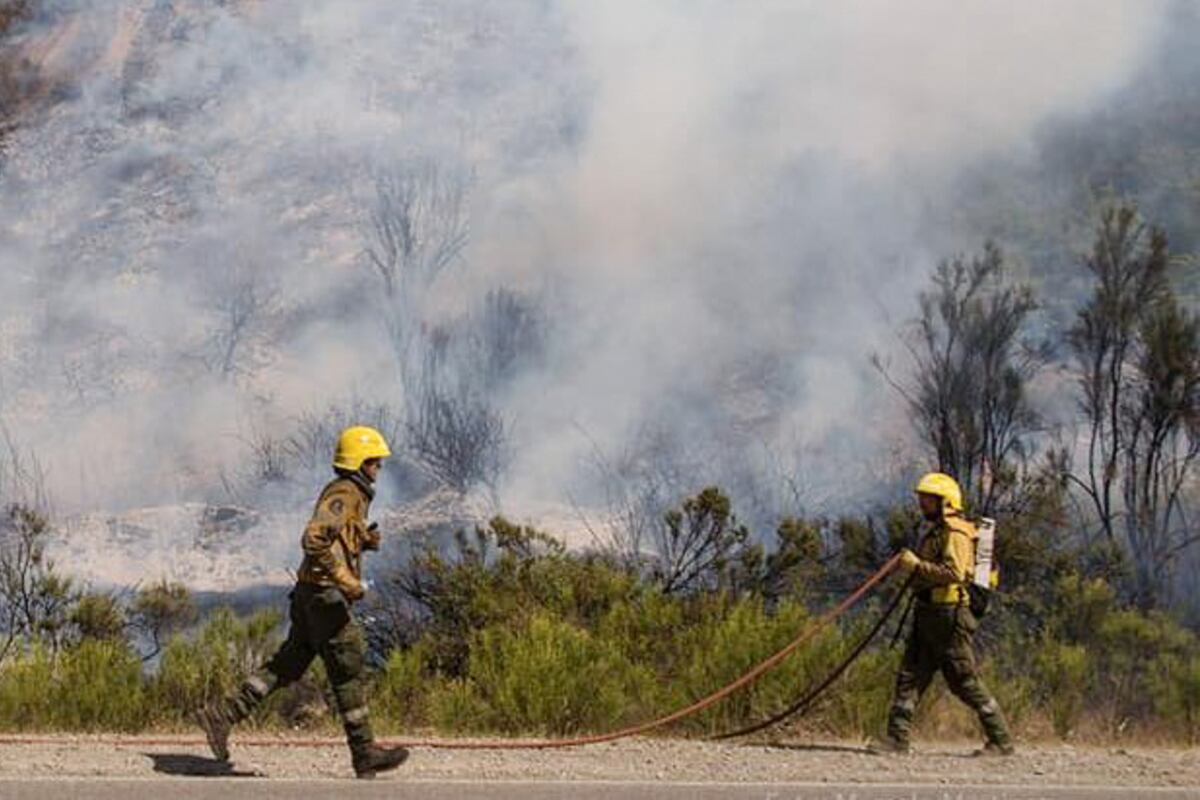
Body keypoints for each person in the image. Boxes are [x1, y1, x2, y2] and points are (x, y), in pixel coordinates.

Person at [196, 425, 410, 779]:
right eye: (375, 462)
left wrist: (363, 541)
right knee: (348, 669)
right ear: (359, 463)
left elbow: (336, 537)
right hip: (325, 597)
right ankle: (364, 752)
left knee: (288, 664)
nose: (379, 469)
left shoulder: (351, 493)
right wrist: (346, 581)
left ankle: (224, 714)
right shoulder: (344, 492)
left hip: (310, 594)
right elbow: (314, 540)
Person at [871, 471, 1014, 756]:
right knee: (911, 674)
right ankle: (897, 739)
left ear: (945, 502)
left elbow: (953, 573)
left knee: (962, 679)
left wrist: (914, 566)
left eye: (928, 500)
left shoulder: (957, 533)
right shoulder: (937, 532)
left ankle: (1001, 740)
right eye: (922, 499)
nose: (922, 505)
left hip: (949, 616)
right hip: (929, 612)